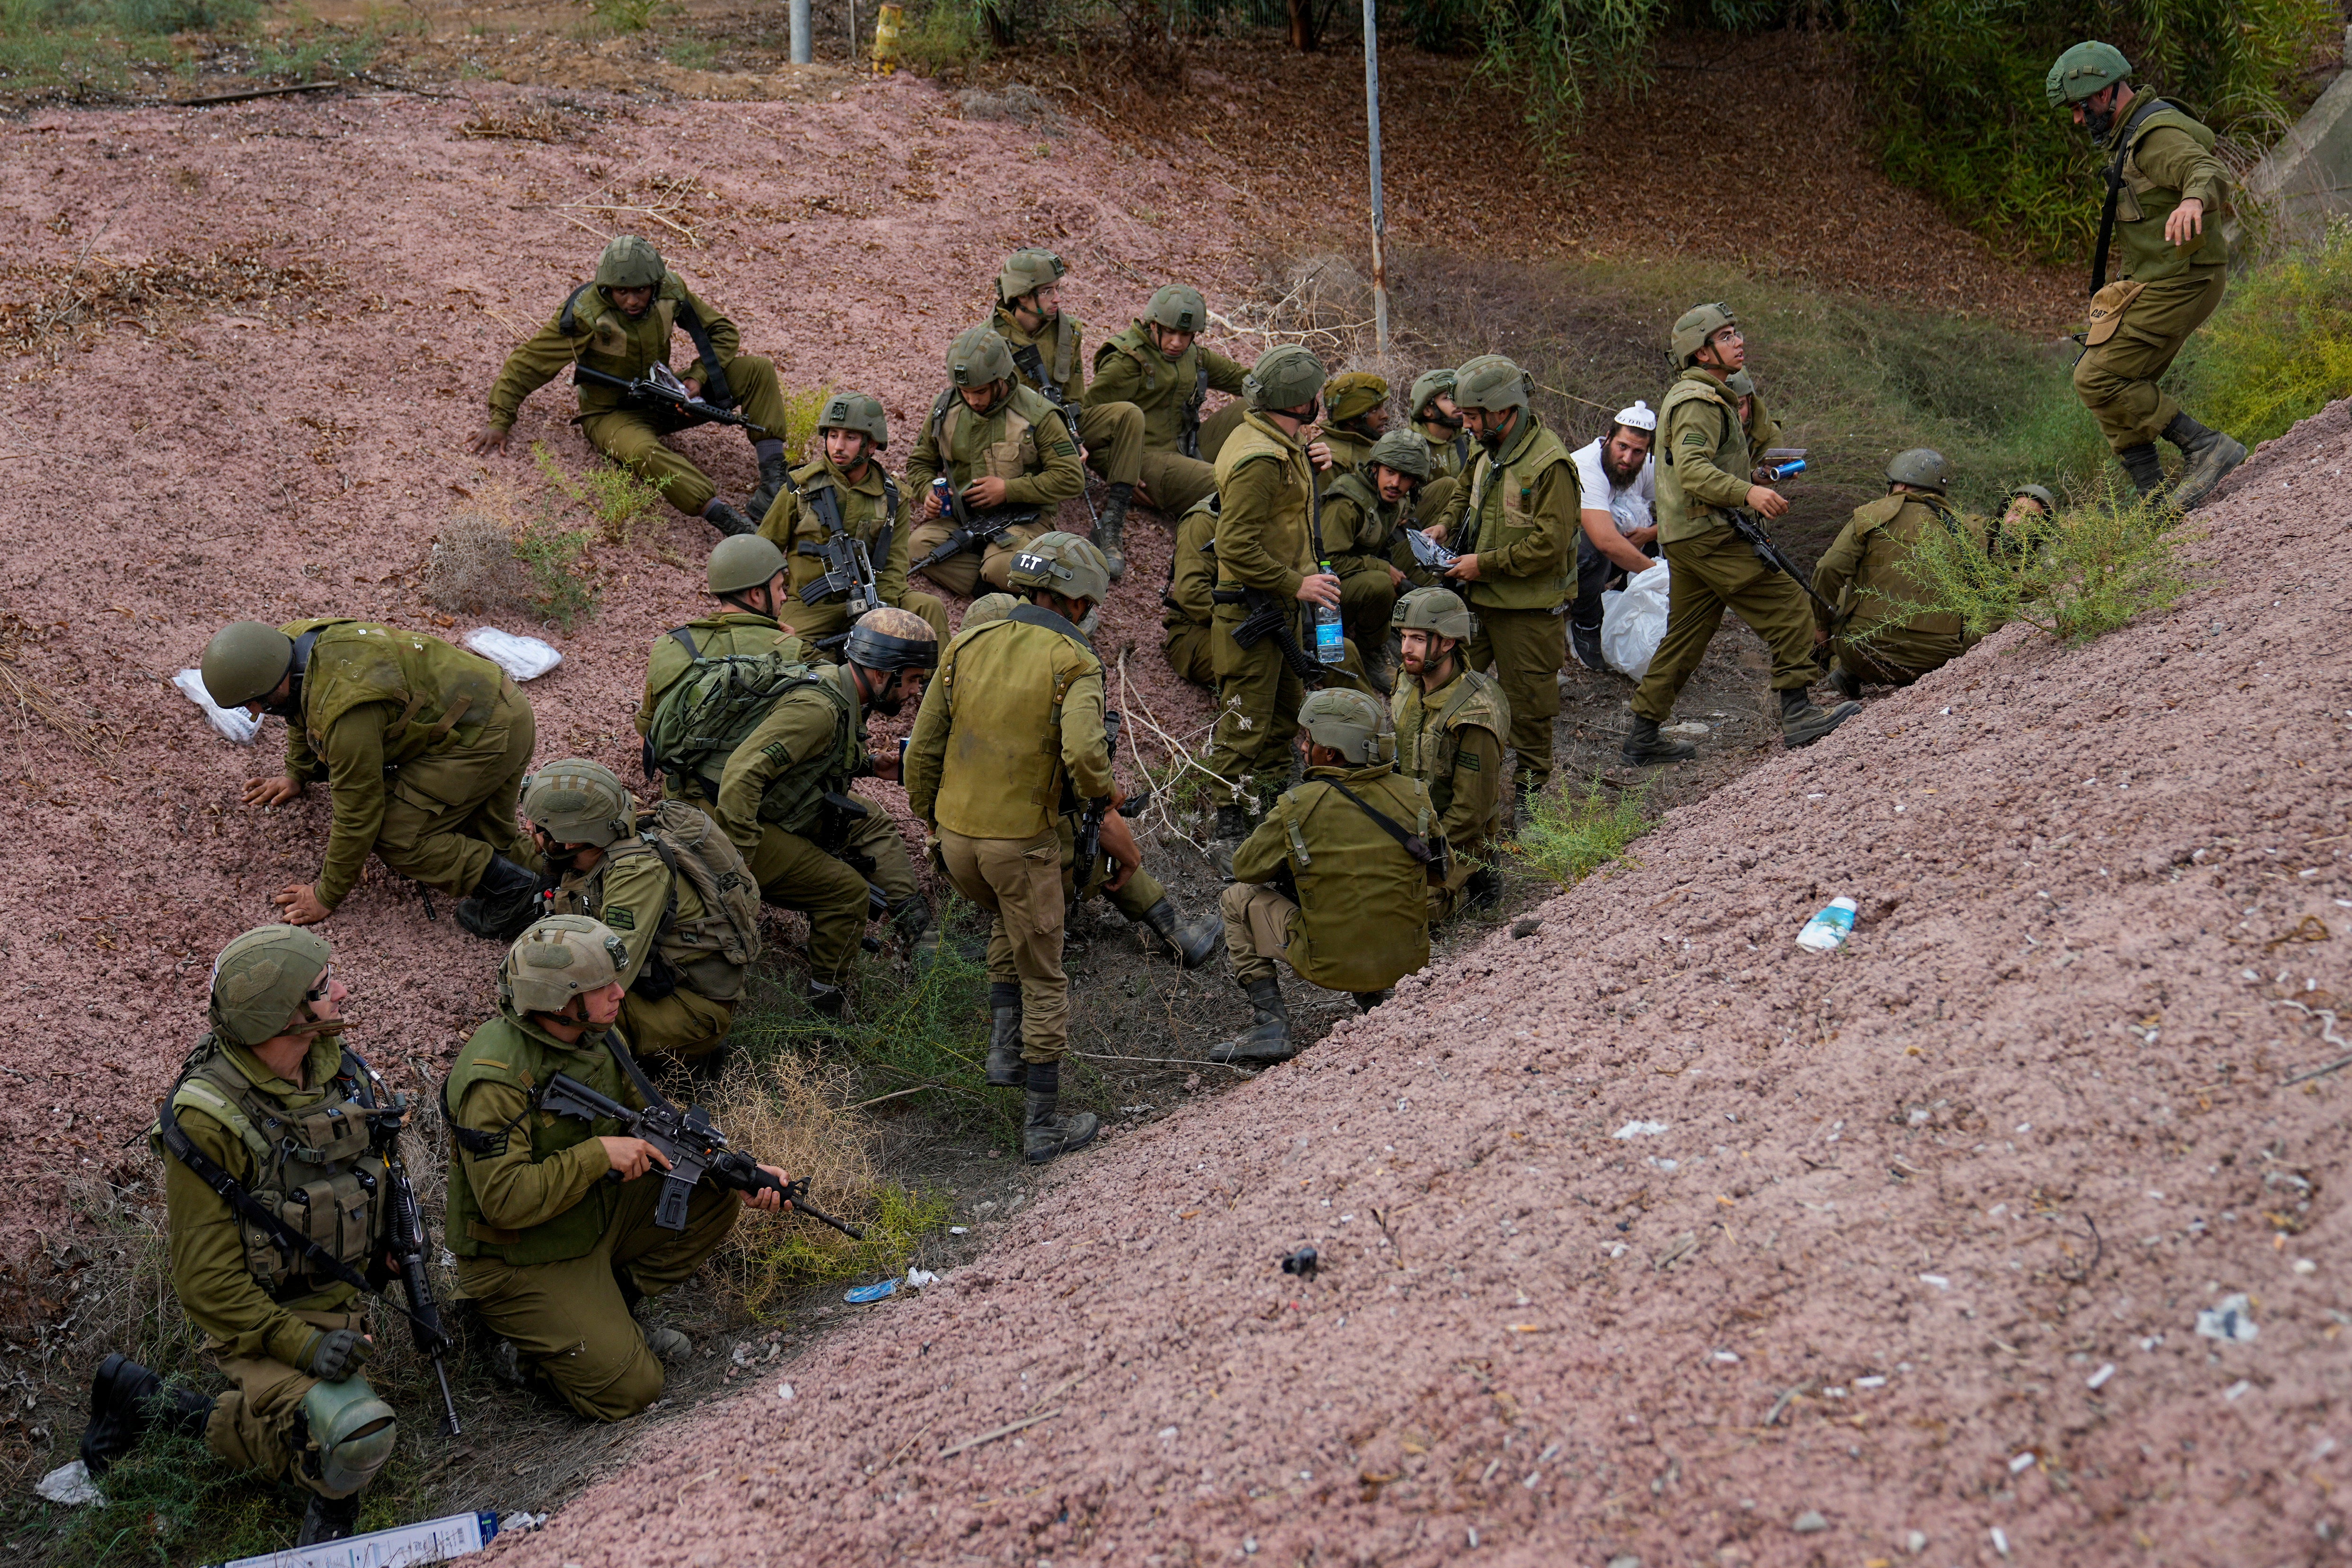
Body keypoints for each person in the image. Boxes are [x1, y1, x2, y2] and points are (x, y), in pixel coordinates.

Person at [77, 926, 399, 1544]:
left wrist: (384, 1250)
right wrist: (302, 1345)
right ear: (283, 1013)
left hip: (333, 1293)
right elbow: (206, 1283)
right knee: (356, 1433)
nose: (342, 992)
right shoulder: (210, 1115)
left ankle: (144, 1398)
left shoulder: (334, 1065)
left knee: (349, 1425)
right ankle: (327, 1512)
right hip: (256, 1318)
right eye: (324, 987)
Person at [445, 916, 791, 1421]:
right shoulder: (494, 1078)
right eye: (599, 986)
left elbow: (652, 1119)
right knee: (636, 1389)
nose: (618, 994)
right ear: (559, 999)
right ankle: (524, 1350)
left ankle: (611, 1311)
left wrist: (736, 1167)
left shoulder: (597, 1036)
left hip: (584, 1216)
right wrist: (599, 1155)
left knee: (710, 1192)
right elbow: (504, 1200)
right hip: (519, 1258)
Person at [905, 533, 1115, 1164]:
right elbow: (1082, 753)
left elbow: (921, 751)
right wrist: (1101, 794)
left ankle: (1003, 1049)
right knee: (1044, 973)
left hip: (957, 844)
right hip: (1017, 844)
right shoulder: (1075, 660)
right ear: (1078, 601)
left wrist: (933, 820)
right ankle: (1042, 1123)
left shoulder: (969, 641)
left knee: (1005, 919)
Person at [202, 618, 544, 940]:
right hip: (494, 704)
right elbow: (298, 709)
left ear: (275, 677)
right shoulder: (288, 644)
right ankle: (568, 876)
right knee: (491, 829)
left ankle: (515, 895)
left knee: (398, 836)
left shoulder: (346, 717)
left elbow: (359, 815)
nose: (256, 713)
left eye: (257, 702)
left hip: (485, 734)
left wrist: (326, 895)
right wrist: (297, 773)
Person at [1622, 304, 1860, 766]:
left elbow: (1697, 466)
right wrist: (1748, 492)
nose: (1739, 342)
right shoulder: (1699, 401)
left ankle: (1643, 733)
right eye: (1727, 335)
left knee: (1685, 636)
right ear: (1702, 350)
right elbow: (1692, 471)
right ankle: (1798, 713)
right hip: (1711, 536)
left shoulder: (1698, 395)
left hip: (1687, 537)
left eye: (1736, 333)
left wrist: (1749, 475)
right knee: (1791, 605)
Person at [469, 235, 794, 537]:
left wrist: (697, 378)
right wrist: (500, 420)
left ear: (655, 284)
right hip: (610, 415)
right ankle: (728, 521)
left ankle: (773, 485)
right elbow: (528, 364)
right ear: (606, 288)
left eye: (640, 290)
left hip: (667, 397)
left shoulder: (670, 292)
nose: (632, 300)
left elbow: (722, 332)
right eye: (621, 292)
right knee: (643, 452)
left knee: (757, 369)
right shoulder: (585, 314)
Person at [962, 594, 1220, 970]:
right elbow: (1094, 809)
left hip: (967, 869)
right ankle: (1176, 930)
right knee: (1093, 837)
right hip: (1037, 873)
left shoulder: (957, 705)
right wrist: (1130, 856)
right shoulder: (1046, 709)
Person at [2047, 42, 2246, 509]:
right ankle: (2152, 497)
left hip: (2185, 280)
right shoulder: (2130, 135)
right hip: (2163, 278)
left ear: (2107, 92)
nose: (2078, 120)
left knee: (2098, 376)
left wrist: (2194, 200)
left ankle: (2206, 446)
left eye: (2080, 107)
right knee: (2103, 380)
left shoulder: (2154, 135)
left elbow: (2207, 169)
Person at [714, 608, 938, 1014]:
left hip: (767, 803)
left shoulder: (842, 691)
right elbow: (742, 776)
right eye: (912, 680)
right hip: (727, 821)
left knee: (869, 819)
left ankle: (921, 936)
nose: (915, 692)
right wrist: (739, 864)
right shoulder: (819, 710)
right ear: (879, 674)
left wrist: (870, 765)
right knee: (847, 895)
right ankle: (825, 1010)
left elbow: (807, 759)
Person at [1212, 688, 1438, 1065]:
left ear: (1330, 752)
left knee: (1236, 898)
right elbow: (1438, 872)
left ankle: (1271, 1027)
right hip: (1407, 959)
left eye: (1309, 739)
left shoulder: (1297, 805)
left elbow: (1245, 868)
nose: (1302, 748)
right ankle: (1376, 998)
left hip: (1327, 963)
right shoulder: (1415, 795)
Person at [1202, 345, 1352, 840]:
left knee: (1284, 715)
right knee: (1244, 727)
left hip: (1277, 605)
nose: (1319, 401)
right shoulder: (1260, 458)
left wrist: (1317, 463)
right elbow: (1234, 544)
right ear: (1296, 402)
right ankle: (1226, 829)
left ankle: (1267, 814)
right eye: (1313, 395)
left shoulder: (1275, 440)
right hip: (1253, 608)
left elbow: (1284, 514)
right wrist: (1298, 583)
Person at [523, 759, 758, 1072]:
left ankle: (616, 1092)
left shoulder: (638, 874)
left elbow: (608, 971)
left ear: (572, 839)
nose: (529, 829)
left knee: (566, 1013)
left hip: (693, 1009)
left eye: (540, 826)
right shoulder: (596, 847)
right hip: (655, 985)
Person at [1425, 353, 1576, 808]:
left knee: (1529, 708)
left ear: (1502, 409)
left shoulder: (1551, 464)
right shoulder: (1483, 446)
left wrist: (1482, 565)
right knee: (1444, 690)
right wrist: (1444, 526)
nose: (1465, 425)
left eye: (1472, 416)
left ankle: (1529, 800)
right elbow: (1462, 491)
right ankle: (1441, 789)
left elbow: (1550, 546)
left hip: (1526, 610)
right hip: (1476, 600)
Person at [987, 248, 1144, 577]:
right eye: (1047, 291)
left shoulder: (1067, 332)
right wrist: (1057, 442)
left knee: (1128, 415)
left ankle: (1111, 523)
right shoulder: (990, 341)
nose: (1057, 298)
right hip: (1018, 435)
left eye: (1057, 288)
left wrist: (1072, 434)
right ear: (1021, 296)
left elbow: (1073, 396)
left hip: (1059, 421)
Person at [757, 389, 950, 652]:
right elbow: (762, 553)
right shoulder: (800, 489)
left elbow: (894, 566)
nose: (838, 446)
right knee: (786, 649)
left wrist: (881, 615)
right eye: (833, 436)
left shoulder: (894, 498)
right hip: (812, 606)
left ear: (872, 444)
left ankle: (935, 688)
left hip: (874, 598)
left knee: (929, 609)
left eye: (850, 437)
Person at [905, 325, 1087, 598]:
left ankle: (1043, 594)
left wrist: (1008, 490)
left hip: (1023, 518)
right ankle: (989, 591)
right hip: (963, 518)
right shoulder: (946, 408)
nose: (972, 400)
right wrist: (927, 492)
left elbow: (1071, 478)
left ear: (1000, 379)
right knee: (918, 547)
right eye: (964, 391)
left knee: (1003, 564)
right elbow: (920, 463)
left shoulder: (1039, 415)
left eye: (979, 392)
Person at [635, 535, 814, 798]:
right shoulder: (791, 652)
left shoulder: (669, 644)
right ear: (756, 594)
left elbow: (646, 740)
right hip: (752, 805)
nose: (785, 597)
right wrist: (789, 645)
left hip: (679, 801)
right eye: (779, 589)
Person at [1811, 448, 1991, 697]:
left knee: (1842, 593)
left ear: (1901, 487)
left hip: (1864, 653)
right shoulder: (1966, 530)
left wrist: (1821, 625)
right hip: (1938, 662)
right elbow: (1982, 601)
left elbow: (1828, 569)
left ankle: (1838, 674)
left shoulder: (1872, 514)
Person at [1389, 588, 1509, 922]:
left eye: (1416, 638)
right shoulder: (1408, 681)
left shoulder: (1474, 713)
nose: (1404, 649)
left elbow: (1471, 811)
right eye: (1403, 637)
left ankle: (1481, 870)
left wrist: (1415, 849)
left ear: (1447, 642)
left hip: (1455, 838)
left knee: (1404, 913)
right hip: (1411, 817)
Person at [1086, 283, 1250, 518]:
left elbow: (1246, 380)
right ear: (1153, 325)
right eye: (1170, 332)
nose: (1177, 342)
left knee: (1257, 404)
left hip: (1186, 447)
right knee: (1230, 485)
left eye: (1185, 335)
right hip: (1146, 461)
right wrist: (1120, 476)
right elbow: (1087, 426)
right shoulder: (1127, 362)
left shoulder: (1193, 356)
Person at [1318, 427, 1433, 689]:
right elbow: (1327, 560)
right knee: (1380, 583)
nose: (1395, 484)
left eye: (1405, 478)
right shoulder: (1348, 502)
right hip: (1322, 593)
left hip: (1351, 577)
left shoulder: (1393, 500)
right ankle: (1372, 653)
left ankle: (1385, 630)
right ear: (1375, 469)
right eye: (1390, 473)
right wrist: (1382, 567)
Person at [1565, 401, 1658, 674]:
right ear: (1608, 438)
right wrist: (1657, 575)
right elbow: (1605, 541)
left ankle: (1625, 609)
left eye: (1638, 452)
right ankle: (1586, 621)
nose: (1628, 459)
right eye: (1622, 447)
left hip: (1605, 550)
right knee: (1593, 549)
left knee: (1655, 534)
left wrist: (1651, 532)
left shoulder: (1644, 465)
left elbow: (1685, 503)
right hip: (1556, 557)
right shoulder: (1586, 466)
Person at [1159, 494, 1219, 687]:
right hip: (1197, 629)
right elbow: (1192, 594)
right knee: (1260, 664)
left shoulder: (1279, 514)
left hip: (1255, 627)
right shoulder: (1206, 520)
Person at [1406, 369, 1472, 524]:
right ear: (1428, 410)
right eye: (1447, 398)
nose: (1456, 403)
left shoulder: (1468, 440)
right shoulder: (1409, 445)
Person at [1316, 371, 1390, 477]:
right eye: (1374, 410)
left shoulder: (1367, 444)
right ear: (1352, 420)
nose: (1385, 415)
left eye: (1382, 407)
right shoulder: (1332, 461)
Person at [1992, 482, 2058, 559]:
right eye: (2016, 511)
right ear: (2005, 512)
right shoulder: (1976, 532)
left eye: (2031, 518)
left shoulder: (2038, 567)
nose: (2018, 523)